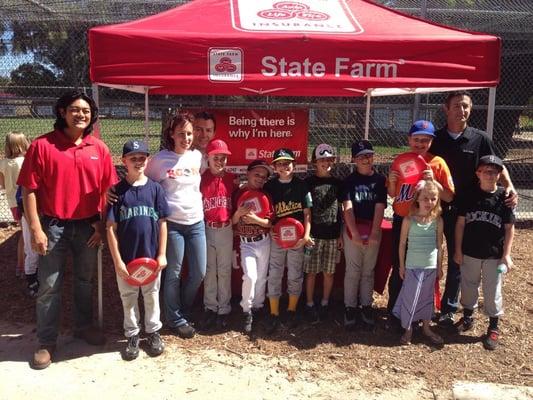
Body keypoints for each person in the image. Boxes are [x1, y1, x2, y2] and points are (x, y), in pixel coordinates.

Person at [18, 91, 118, 370]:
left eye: (86, 111)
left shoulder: (99, 148)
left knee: (85, 281)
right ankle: (47, 342)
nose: (81, 115)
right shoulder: (42, 146)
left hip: (88, 227)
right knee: (49, 285)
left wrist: (100, 223)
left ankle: (82, 326)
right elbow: (28, 190)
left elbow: (108, 192)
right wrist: (36, 228)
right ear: (62, 111)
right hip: (54, 227)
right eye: (75, 109)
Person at [429, 91, 517, 326]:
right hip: (434, 208)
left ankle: (449, 308)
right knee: (429, 258)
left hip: (466, 212)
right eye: (457, 105)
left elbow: (497, 165)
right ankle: (423, 306)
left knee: (459, 260)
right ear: (446, 109)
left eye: (466, 106)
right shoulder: (434, 139)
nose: (462, 110)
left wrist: (510, 187)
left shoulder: (480, 139)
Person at [106, 140, 169, 361]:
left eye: (142, 157)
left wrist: (162, 253)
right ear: (124, 161)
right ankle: (132, 334)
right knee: (128, 296)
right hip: (127, 259)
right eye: (133, 158)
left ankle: (153, 331)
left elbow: (162, 223)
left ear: (147, 160)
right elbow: (111, 229)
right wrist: (117, 261)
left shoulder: (155, 189)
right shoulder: (117, 192)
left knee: (151, 295)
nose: (138, 161)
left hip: (151, 257)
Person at [145, 111, 205, 339]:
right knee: (174, 273)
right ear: (171, 134)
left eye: (189, 133)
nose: (186, 138)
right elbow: (147, 184)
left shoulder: (197, 157)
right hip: (172, 225)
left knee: (199, 272)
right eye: (181, 133)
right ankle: (174, 317)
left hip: (196, 222)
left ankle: (183, 308)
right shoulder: (160, 160)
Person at [387, 120, 454, 324]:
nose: (420, 143)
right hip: (403, 221)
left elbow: (450, 197)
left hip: (427, 225)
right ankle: (395, 312)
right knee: (400, 266)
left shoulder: (438, 163)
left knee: (424, 268)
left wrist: (433, 180)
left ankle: (419, 312)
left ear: (431, 142)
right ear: (409, 140)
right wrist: (391, 181)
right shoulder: (401, 160)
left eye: (425, 140)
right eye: (416, 139)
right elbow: (392, 194)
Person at [453, 155, 515, 350]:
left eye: (494, 171)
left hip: (494, 255)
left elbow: (509, 228)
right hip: (470, 252)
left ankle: (493, 327)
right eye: (486, 171)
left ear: (499, 175)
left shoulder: (505, 197)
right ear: (478, 173)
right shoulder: (469, 195)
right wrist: (457, 249)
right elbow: (460, 224)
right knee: (468, 285)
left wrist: (507, 254)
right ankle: (468, 317)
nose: (490, 174)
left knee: (492, 289)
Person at [264, 148, 313, 333]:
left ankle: (292, 310)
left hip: (297, 238)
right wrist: (269, 230)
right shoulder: (270, 186)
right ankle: (274, 312)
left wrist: (306, 235)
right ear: (274, 167)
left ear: (294, 165)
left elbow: (307, 214)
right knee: (275, 272)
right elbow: (265, 212)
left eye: (287, 163)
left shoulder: (301, 186)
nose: (284, 166)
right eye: (280, 163)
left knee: (294, 274)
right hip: (278, 238)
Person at [341, 140, 387, 329]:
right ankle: (350, 307)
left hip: (372, 228)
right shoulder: (349, 181)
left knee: (368, 271)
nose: (366, 159)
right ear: (354, 159)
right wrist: (354, 234)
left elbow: (379, 206)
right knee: (353, 271)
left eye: (368, 155)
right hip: (353, 229)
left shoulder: (379, 180)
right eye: (361, 156)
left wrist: (375, 232)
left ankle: (366, 305)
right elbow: (347, 207)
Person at [393, 179, 444, 346]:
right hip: (412, 266)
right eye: (425, 198)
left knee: (427, 297)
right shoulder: (409, 220)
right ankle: (408, 329)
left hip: (430, 266)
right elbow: (401, 244)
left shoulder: (438, 220)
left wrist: (440, 266)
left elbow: (439, 244)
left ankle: (427, 327)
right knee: (411, 297)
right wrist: (401, 265)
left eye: (433, 199)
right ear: (417, 199)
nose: (429, 202)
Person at [200, 139, 238, 331]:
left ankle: (224, 309)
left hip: (225, 228)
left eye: (223, 158)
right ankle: (210, 307)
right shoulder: (201, 178)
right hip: (207, 227)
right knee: (209, 270)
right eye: (216, 157)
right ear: (208, 158)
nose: (220, 161)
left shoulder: (232, 179)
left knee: (224, 270)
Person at [232, 160, 274, 334]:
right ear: (248, 174)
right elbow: (232, 222)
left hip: (263, 240)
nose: (260, 179)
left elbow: (269, 223)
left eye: (264, 177)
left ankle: (258, 307)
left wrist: (256, 220)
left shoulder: (265, 196)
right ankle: (246, 310)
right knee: (250, 276)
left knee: (262, 277)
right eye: (257, 174)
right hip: (246, 242)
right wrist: (238, 214)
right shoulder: (238, 194)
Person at [304, 144, 342, 323]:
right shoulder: (308, 183)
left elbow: (341, 211)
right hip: (314, 236)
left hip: (333, 235)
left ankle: (325, 303)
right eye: (321, 159)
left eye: (329, 159)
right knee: (311, 272)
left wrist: (341, 234)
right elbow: (306, 212)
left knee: (329, 272)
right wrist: (307, 233)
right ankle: (310, 304)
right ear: (314, 162)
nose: (325, 163)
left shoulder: (337, 183)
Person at [0, 132, 38, 292]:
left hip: (12, 202)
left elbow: (2, 185)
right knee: (26, 236)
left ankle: (20, 266)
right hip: (24, 201)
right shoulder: (23, 162)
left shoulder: (3, 163)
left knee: (23, 234)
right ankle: (24, 267)